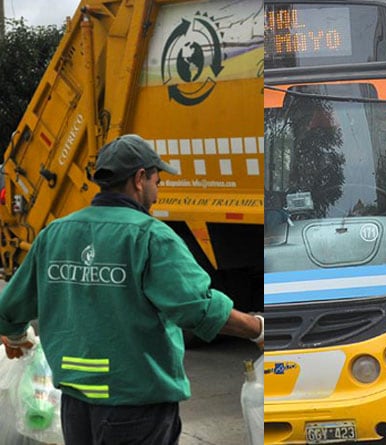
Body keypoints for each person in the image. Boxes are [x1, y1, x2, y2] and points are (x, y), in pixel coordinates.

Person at [0, 134, 265, 444]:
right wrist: (257, 328)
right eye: (157, 178)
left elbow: (10, 308)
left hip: (75, 404)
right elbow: (197, 307)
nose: (158, 188)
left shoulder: (54, 234)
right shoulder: (150, 237)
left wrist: (16, 335)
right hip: (135, 402)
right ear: (140, 179)